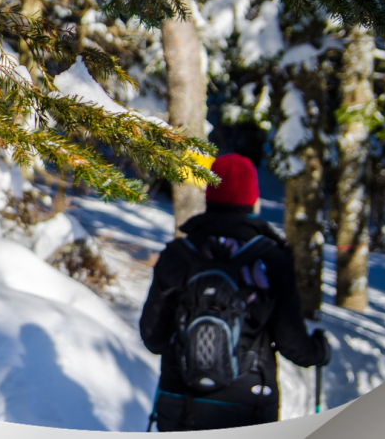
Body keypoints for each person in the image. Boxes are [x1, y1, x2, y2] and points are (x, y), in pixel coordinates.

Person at [140, 153, 331, 432]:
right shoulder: (272, 260)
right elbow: (291, 343)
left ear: (209, 196)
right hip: (249, 404)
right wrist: (318, 351)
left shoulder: (178, 254)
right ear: (253, 199)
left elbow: (153, 338)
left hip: (181, 401)